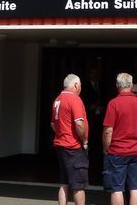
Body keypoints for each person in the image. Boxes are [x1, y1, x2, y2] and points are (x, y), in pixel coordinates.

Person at [102, 72, 137, 205]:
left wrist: (106, 148)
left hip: (117, 151)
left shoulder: (114, 103)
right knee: (135, 188)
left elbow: (108, 131)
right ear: (131, 85)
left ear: (117, 86)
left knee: (117, 188)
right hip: (135, 151)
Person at [51, 74, 88, 205]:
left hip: (60, 145)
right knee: (79, 184)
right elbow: (79, 124)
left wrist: (62, 133)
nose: (81, 88)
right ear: (76, 85)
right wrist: (84, 140)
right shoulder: (75, 99)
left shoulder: (57, 100)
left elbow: (53, 124)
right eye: (80, 85)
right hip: (73, 147)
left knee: (64, 182)